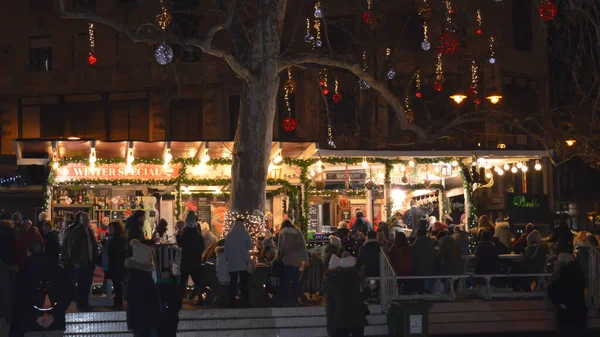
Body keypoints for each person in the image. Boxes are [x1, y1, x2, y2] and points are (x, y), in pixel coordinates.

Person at [14, 240, 70, 337]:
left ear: (28, 252)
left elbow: (19, 298)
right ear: (43, 250)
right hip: (55, 324)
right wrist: (53, 315)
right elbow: (67, 294)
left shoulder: (23, 273)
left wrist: (36, 317)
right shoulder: (58, 270)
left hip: (30, 325)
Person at [323, 255, 372, 337]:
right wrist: (369, 289)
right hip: (356, 319)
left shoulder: (330, 280)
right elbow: (358, 298)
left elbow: (330, 304)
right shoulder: (353, 278)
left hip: (338, 320)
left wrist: (330, 323)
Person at [547, 253, 587, 337]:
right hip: (577, 311)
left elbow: (553, 289)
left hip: (567, 312)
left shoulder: (564, 273)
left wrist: (560, 303)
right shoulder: (576, 271)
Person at [126, 240, 160, 337]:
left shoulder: (139, 274)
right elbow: (143, 301)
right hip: (144, 321)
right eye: (149, 255)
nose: (151, 258)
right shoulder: (140, 276)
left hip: (143, 321)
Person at [68, 212, 98, 311]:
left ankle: (84, 303)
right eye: (84, 219)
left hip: (89, 261)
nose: (86, 221)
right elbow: (73, 247)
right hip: (82, 262)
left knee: (87, 284)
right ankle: (81, 304)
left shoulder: (89, 230)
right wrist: (75, 261)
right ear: (81, 220)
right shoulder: (77, 231)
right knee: (82, 284)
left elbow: (92, 245)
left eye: (87, 219)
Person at [277, 220, 308, 306]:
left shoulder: (283, 233)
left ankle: (287, 299)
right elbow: (303, 246)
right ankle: (295, 299)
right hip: (296, 260)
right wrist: (304, 260)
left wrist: (278, 257)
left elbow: (280, 247)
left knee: (286, 280)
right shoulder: (298, 232)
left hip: (286, 259)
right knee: (295, 280)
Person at [224, 219, 253, 308]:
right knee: (244, 282)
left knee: (233, 282)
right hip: (242, 262)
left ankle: (231, 301)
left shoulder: (229, 235)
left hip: (232, 262)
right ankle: (245, 301)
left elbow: (226, 249)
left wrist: (227, 260)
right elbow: (250, 246)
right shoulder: (245, 234)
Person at [178, 211, 205, 303]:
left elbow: (180, 244)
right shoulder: (197, 234)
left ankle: (180, 300)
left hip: (186, 259)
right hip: (195, 260)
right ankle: (201, 298)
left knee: (183, 280)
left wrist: (178, 235)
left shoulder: (185, 233)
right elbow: (202, 245)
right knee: (197, 280)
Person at [105, 221, 127, 310]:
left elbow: (114, 253)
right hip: (118, 265)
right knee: (117, 284)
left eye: (111, 229)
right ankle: (118, 302)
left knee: (117, 284)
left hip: (116, 265)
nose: (109, 230)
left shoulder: (116, 239)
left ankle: (118, 303)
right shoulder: (120, 238)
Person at [157, 269, 182, 337]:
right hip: (160, 318)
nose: (164, 276)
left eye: (166, 274)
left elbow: (178, 301)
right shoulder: (157, 285)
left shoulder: (174, 285)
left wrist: (173, 311)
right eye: (163, 274)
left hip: (170, 317)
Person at [411, 229, 435, 293]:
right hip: (429, 262)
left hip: (420, 263)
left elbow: (413, 250)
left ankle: (420, 291)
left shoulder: (418, 241)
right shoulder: (430, 240)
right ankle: (427, 291)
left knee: (420, 278)